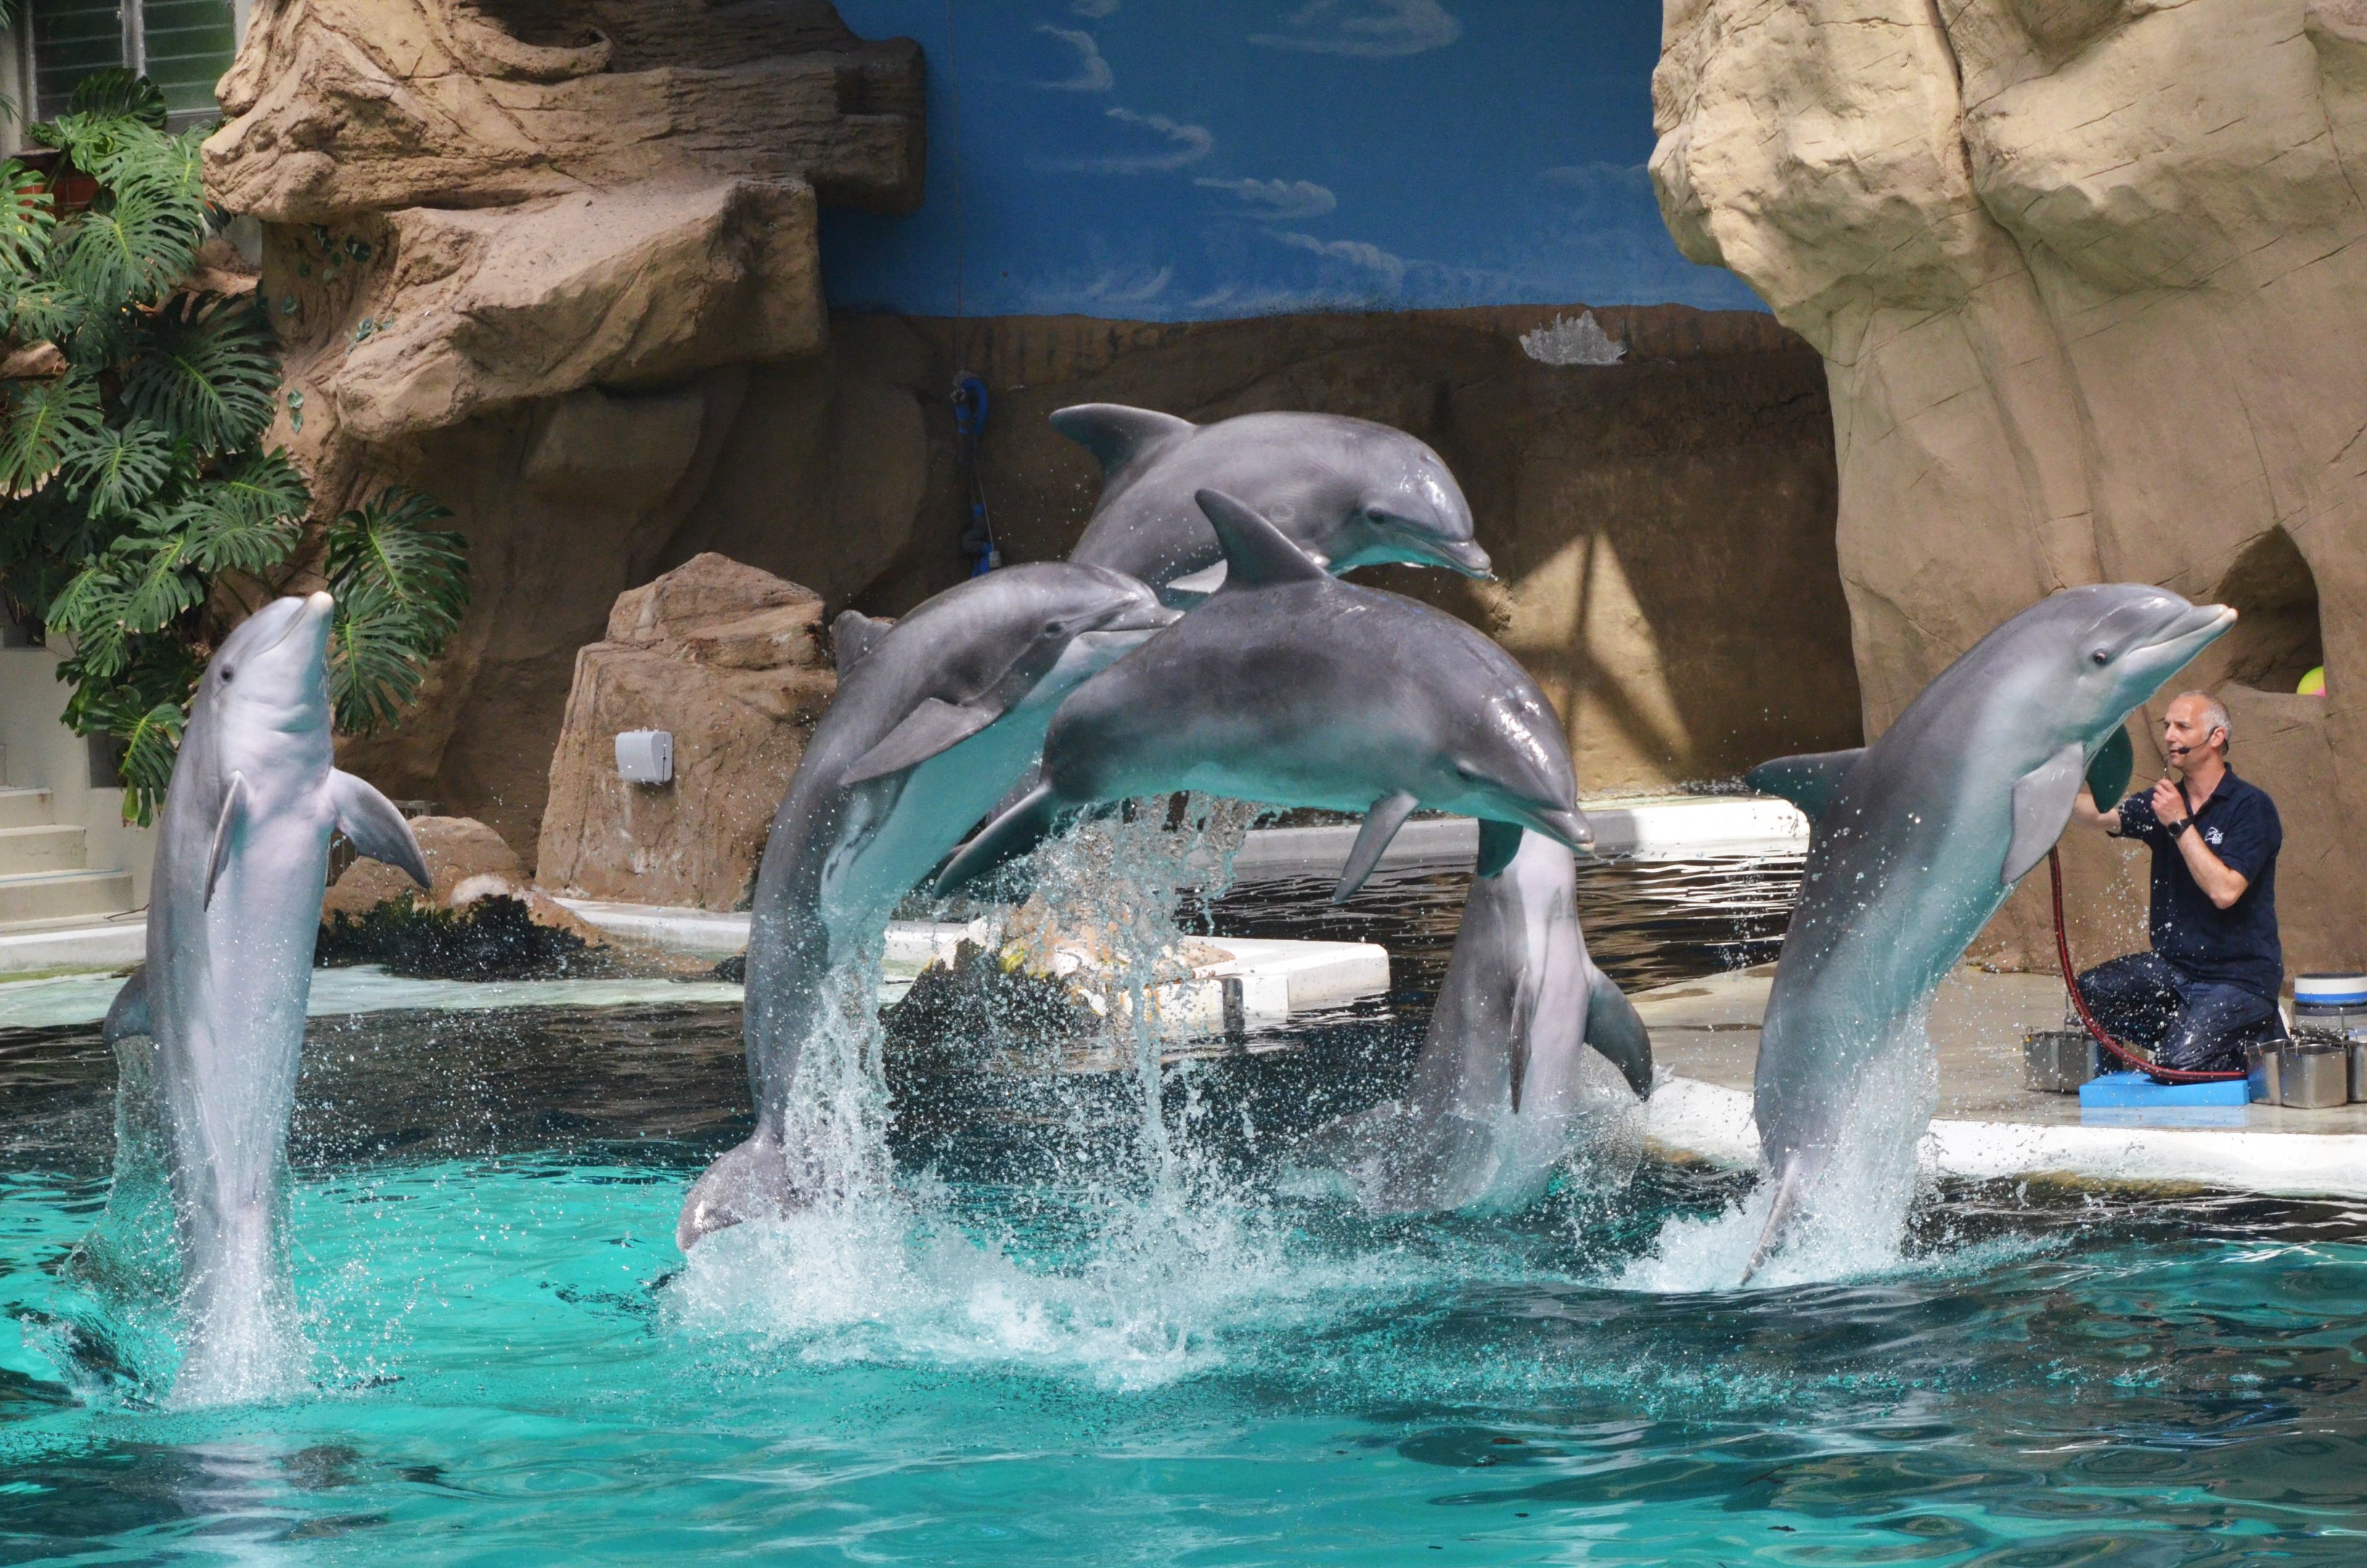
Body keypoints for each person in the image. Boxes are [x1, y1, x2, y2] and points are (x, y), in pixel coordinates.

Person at [2067, 691, 2284, 1076]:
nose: (2169, 735)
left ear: (2216, 737)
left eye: (2182, 726)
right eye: (2166, 725)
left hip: (2239, 979)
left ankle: (2252, 1033)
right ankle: (2193, 1036)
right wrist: (2049, 796)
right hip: (2176, 969)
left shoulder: (2250, 807)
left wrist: (2180, 823)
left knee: (2177, 1064)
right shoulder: (2167, 800)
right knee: (2091, 994)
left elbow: (2225, 891)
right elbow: (2103, 814)